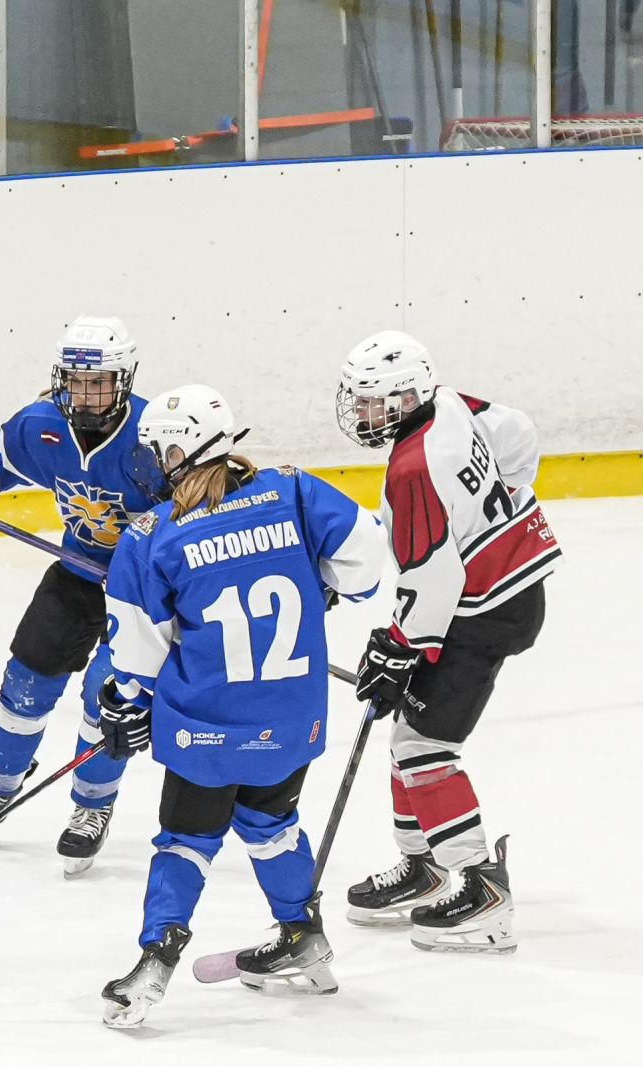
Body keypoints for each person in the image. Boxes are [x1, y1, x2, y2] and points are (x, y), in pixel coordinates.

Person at [95, 385, 385, 1029]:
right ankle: (302, 937)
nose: (153, 461)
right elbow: (366, 566)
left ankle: (153, 964)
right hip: (292, 717)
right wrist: (324, 583)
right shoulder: (296, 492)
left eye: (160, 449)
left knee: (186, 840)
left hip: (208, 726)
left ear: (184, 451)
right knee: (272, 824)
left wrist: (124, 703)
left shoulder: (152, 535)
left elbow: (138, 655)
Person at [336, 331, 560, 952]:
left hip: (484, 609)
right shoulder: (450, 402)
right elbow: (517, 431)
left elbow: (434, 577)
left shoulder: (416, 466)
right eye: (358, 399)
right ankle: (424, 867)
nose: (361, 413)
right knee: (408, 733)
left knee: (424, 748)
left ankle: (481, 890)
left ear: (407, 396)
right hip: (503, 588)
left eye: (372, 401)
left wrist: (398, 647)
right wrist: (500, 504)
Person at [0, 315, 159, 876]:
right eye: (75, 381)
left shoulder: (154, 435)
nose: (84, 394)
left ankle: (92, 806)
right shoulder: (40, 423)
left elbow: (201, 511)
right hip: (78, 572)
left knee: (107, 695)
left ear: (123, 379)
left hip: (145, 591)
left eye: (98, 382)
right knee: (26, 679)